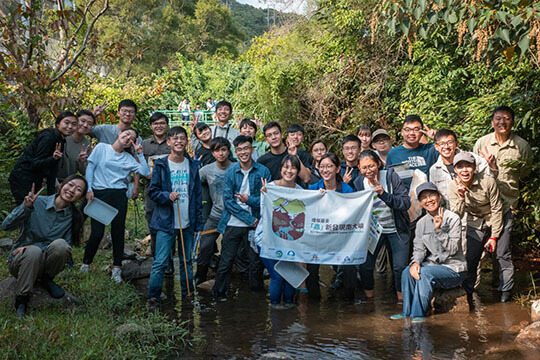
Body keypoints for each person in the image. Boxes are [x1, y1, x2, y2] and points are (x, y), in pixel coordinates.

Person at [2, 175, 87, 318]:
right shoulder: (37, 202)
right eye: (70, 185)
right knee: (33, 252)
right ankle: (21, 300)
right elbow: (6, 226)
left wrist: (34, 246)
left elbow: (66, 248)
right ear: (61, 186)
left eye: (78, 189)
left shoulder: (74, 217)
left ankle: (46, 279)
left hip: (45, 264)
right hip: (22, 262)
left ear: (80, 197)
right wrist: (26, 208)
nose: (72, 190)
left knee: (61, 245)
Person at [390, 182, 466, 323]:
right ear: (420, 202)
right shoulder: (421, 223)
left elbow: (453, 249)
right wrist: (416, 262)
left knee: (425, 273)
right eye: (424, 197)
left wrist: (439, 230)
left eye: (431, 195)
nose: (428, 200)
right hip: (433, 266)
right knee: (407, 271)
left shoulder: (453, 218)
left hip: (454, 268)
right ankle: (407, 312)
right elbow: (419, 248)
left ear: (439, 196)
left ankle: (419, 314)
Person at [81, 129, 150, 283]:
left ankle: (117, 268)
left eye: (131, 138)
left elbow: (146, 172)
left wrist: (139, 154)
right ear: (119, 134)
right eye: (126, 134)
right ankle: (86, 263)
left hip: (119, 195)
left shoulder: (129, 158)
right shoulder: (101, 148)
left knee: (118, 232)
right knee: (97, 232)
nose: (127, 138)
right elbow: (90, 168)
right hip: (100, 194)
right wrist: (89, 188)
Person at [147, 126, 203, 305]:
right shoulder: (161, 164)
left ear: (186, 141)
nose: (179, 141)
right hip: (166, 221)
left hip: (187, 222)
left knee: (187, 260)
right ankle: (153, 296)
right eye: (175, 138)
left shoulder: (193, 165)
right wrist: (167, 196)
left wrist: (198, 224)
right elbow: (153, 191)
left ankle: (188, 294)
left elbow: (197, 197)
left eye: (182, 138)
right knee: (161, 261)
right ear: (169, 142)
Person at [212, 135, 271, 301]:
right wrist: (249, 219)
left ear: (252, 150)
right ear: (235, 152)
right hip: (234, 222)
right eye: (239, 150)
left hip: (256, 222)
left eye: (246, 148)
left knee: (255, 262)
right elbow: (228, 201)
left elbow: (268, 199)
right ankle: (219, 295)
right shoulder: (231, 172)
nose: (244, 152)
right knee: (226, 261)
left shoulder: (263, 171)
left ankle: (256, 298)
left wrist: (250, 201)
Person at [448, 152, 513, 303]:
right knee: (471, 257)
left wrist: (493, 237)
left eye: (468, 166)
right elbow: (456, 214)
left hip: (501, 215)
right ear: (455, 170)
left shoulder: (487, 181)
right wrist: (461, 196)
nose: (464, 170)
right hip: (475, 220)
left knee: (501, 254)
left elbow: (497, 209)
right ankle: (467, 291)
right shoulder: (453, 186)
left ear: (474, 168)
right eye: (460, 167)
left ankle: (506, 292)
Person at [352, 150, 411, 303]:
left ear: (378, 164)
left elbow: (405, 203)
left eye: (371, 166)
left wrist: (384, 194)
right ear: (359, 168)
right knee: (365, 265)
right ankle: (369, 300)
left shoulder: (390, 177)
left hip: (396, 228)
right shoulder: (359, 183)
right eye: (364, 167)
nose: (368, 171)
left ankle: (401, 301)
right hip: (373, 232)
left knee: (399, 267)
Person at [307, 152, 354, 299]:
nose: (325, 170)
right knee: (312, 269)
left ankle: (348, 303)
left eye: (329, 166)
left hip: (340, 236)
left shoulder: (347, 189)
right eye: (322, 167)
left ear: (337, 168)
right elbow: (306, 211)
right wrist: (316, 199)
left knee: (349, 268)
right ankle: (314, 304)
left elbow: (353, 212)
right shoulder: (313, 189)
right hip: (317, 236)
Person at [260, 155, 303, 309]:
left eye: (293, 167)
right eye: (286, 167)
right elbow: (264, 215)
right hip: (268, 238)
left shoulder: (301, 192)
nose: (289, 171)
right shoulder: (269, 188)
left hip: (291, 239)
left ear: (298, 171)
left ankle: (290, 308)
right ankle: (275, 309)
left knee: (290, 273)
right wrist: (265, 195)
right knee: (277, 276)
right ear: (280, 169)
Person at [9, 111, 78, 204]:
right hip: (23, 177)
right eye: (66, 122)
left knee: (33, 209)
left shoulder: (60, 140)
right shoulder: (49, 137)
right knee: (25, 209)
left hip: (34, 179)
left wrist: (52, 191)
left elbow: (52, 168)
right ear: (58, 124)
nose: (70, 127)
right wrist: (53, 159)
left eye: (74, 124)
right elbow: (35, 163)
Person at [473, 106, 532, 211]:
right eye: (498, 118)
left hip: (509, 204)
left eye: (507, 119)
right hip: (484, 205)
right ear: (492, 123)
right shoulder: (482, 143)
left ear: (513, 123)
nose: (502, 122)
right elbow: (473, 170)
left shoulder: (522, 146)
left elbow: (525, 174)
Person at [195, 137, 234, 285]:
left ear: (228, 151)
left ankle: (225, 280)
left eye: (223, 150)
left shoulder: (236, 168)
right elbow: (193, 186)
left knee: (229, 249)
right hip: (215, 215)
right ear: (212, 152)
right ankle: (200, 277)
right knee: (205, 246)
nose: (221, 153)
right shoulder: (206, 170)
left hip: (233, 216)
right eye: (217, 150)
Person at [91, 99, 143, 201]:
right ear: (118, 113)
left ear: (135, 115)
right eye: (124, 111)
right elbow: (84, 129)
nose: (127, 114)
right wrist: (94, 115)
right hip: (100, 183)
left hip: (120, 185)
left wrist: (136, 187)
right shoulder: (104, 129)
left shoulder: (136, 138)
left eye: (131, 112)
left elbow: (137, 163)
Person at [430, 129, 490, 207]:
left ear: (456, 144)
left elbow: (489, 179)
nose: (446, 146)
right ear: (436, 147)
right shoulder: (434, 170)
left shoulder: (472, 158)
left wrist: (492, 166)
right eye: (442, 143)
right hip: (455, 211)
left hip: (479, 209)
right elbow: (438, 198)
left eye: (450, 142)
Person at [142, 112, 171, 266]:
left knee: (170, 223)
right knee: (152, 221)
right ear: (151, 126)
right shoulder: (145, 144)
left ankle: (169, 260)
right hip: (151, 190)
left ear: (166, 125)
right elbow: (138, 163)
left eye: (162, 123)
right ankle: (155, 257)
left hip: (170, 190)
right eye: (155, 123)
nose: (159, 126)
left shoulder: (173, 142)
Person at [386, 115, 438, 190]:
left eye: (416, 129)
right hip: (404, 199)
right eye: (407, 129)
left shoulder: (430, 149)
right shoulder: (393, 154)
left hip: (428, 198)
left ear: (422, 132)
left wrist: (437, 139)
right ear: (402, 132)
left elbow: (453, 156)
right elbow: (388, 180)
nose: (411, 133)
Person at [57, 110, 94, 182]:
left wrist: (81, 162)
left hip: (67, 182)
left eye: (89, 124)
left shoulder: (86, 144)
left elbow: (83, 172)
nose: (85, 125)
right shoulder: (63, 136)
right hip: (50, 180)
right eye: (82, 121)